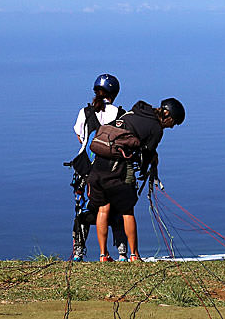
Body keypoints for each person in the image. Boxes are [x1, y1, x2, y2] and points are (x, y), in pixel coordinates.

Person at [87, 97, 185, 262]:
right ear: (167, 115)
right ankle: (134, 255)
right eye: (174, 122)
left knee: (103, 209)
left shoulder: (134, 112)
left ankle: (103, 255)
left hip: (98, 165)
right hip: (118, 168)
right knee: (127, 211)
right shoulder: (156, 129)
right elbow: (146, 154)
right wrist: (150, 165)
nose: (172, 126)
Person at [69, 74, 129, 261]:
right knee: (118, 209)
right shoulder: (122, 115)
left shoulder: (85, 112)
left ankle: (78, 252)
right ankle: (122, 253)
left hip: (86, 169)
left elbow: (80, 137)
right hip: (113, 170)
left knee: (83, 211)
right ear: (115, 93)